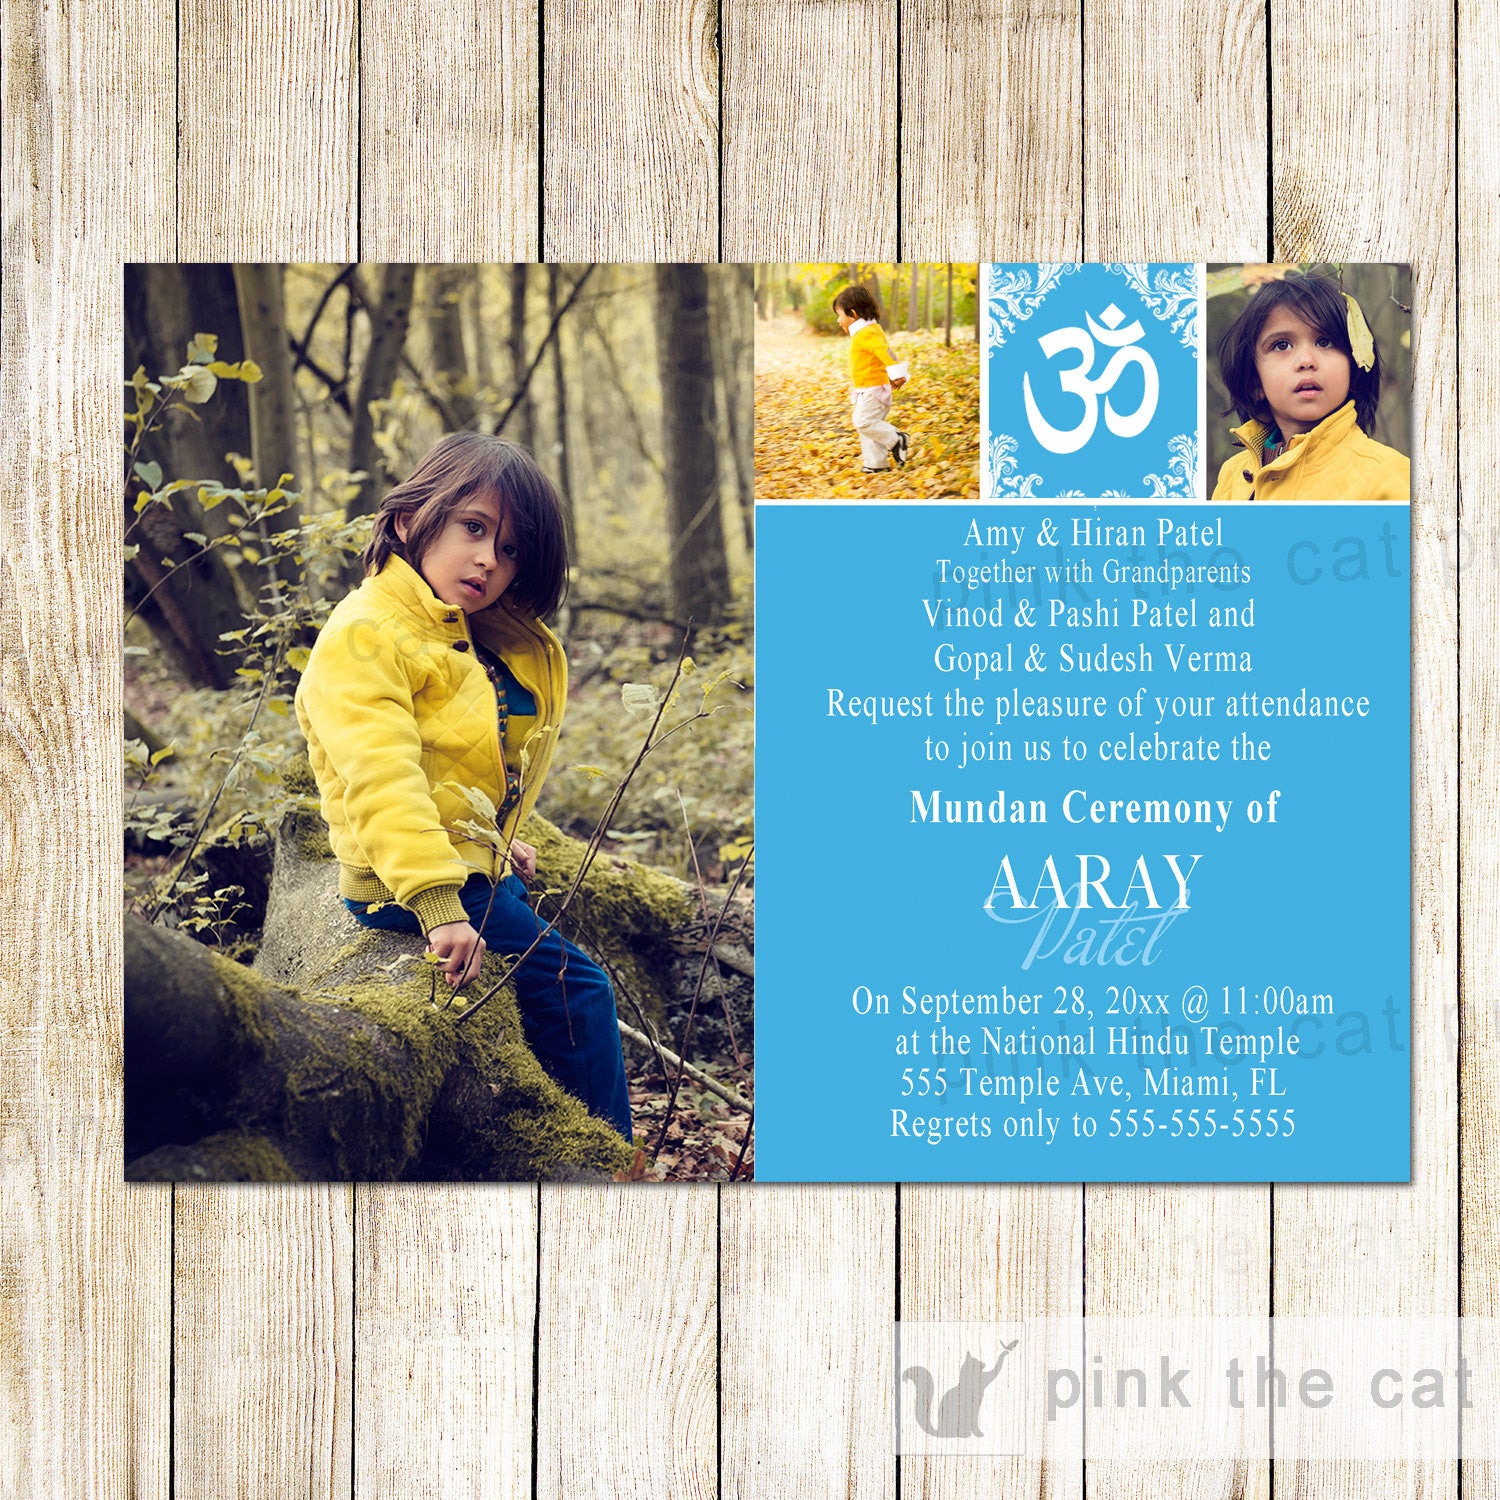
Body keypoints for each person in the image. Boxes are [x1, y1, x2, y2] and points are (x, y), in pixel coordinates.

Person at [294, 432, 633, 1143]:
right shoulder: (367, 634)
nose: (489, 560)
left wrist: (500, 839)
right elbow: (381, 776)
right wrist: (439, 906)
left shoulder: (463, 634)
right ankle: (603, 1155)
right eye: (473, 528)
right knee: (581, 990)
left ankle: (553, 1117)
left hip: (466, 866)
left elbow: (464, 764)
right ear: (416, 517)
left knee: (550, 981)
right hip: (405, 884)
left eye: (510, 549)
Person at [1211, 270, 1409, 501]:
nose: (1306, 361)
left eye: (1324, 342)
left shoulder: (1391, 476)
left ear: (1353, 366)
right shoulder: (1233, 476)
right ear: (1254, 382)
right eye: (1282, 345)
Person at [833, 285, 911, 474]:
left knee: (862, 421)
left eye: (840, 315)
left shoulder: (867, 333)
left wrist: (898, 374)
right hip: (868, 389)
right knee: (869, 430)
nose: (838, 320)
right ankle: (876, 464)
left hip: (873, 390)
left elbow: (885, 352)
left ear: (853, 314)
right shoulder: (868, 331)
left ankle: (897, 439)